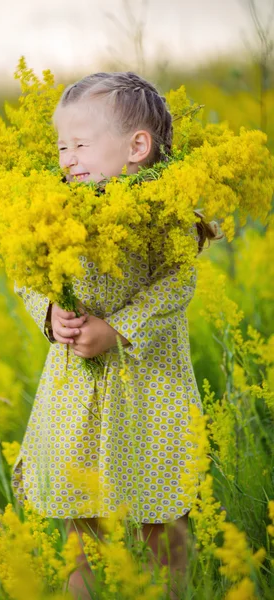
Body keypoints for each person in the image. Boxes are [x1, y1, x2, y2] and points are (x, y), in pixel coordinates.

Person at [12, 71, 222, 599]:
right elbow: (25, 269)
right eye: (62, 145)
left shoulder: (163, 212)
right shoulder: (54, 204)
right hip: (77, 393)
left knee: (164, 526)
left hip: (149, 387)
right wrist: (50, 310)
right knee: (81, 537)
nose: (67, 157)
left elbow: (178, 283)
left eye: (81, 144)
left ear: (136, 147)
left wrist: (118, 329)